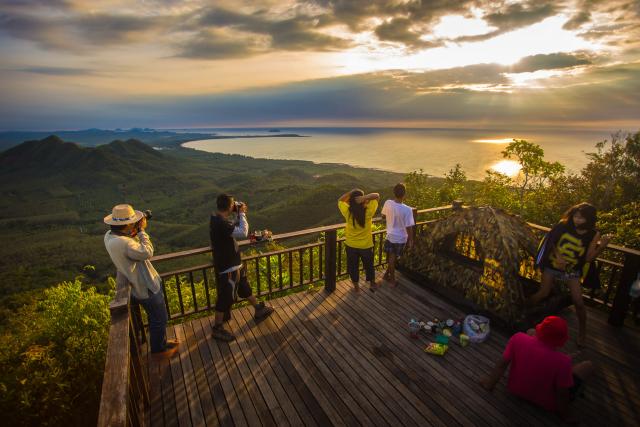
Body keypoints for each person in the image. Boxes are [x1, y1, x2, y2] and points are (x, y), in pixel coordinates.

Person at [480, 316, 594, 424]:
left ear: (540, 330)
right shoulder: (563, 362)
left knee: (530, 332)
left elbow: (502, 364)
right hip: (548, 403)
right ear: (561, 341)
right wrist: (566, 416)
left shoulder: (517, 338)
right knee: (587, 366)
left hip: (516, 388)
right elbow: (562, 394)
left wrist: (489, 384)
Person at [529, 202, 611, 347]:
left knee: (578, 302)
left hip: (572, 271)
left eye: (581, 218)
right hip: (552, 266)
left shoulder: (593, 234)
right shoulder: (563, 225)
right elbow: (551, 241)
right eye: (576, 216)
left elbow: (588, 258)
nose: (577, 220)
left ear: (589, 219)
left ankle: (582, 332)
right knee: (543, 293)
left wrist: (602, 246)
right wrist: (558, 255)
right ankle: (526, 311)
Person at [104, 204, 178, 355]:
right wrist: (142, 231)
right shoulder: (125, 243)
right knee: (160, 319)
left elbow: (128, 245)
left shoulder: (109, 237)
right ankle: (158, 349)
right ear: (128, 224)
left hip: (135, 286)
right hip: (147, 287)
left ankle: (159, 343)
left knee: (155, 318)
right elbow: (147, 252)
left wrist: (134, 231)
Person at [209, 194, 274, 342]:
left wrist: (237, 214)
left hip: (234, 264)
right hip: (228, 267)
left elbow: (233, 228)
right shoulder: (221, 223)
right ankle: (217, 328)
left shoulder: (217, 219)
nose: (235, 206)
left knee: (244, 287)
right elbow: (243, 232)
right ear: (229, 206)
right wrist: (242, 213)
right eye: (233, 204)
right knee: (226, 297)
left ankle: (258, 309)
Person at [338, 189, 380, 292]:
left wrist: (351, 192)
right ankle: (372, 284)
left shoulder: (348, 212)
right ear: (362, 200)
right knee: (369, 266)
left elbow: (340, 200)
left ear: (351, 200)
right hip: (365, 246)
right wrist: (364, 198)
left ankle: (356, 287)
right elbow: (377, 196)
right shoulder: (369, 212)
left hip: (351, 245)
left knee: (353, 267)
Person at [381, 183, 415, 287]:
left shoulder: (388, 203)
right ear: (404, 195)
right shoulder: (408, 210)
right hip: (400, 238)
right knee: (393, 258)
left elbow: (383, 216)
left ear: (394, 193)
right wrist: (411, 240)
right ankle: (392, 280)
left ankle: (386, 275)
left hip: (390, 235)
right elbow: (409, 227)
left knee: (392, 258)